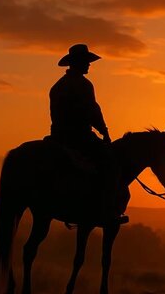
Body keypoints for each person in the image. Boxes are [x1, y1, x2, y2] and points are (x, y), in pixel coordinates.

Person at [50, 43, 127, 226]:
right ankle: (106, 211)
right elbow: (92, 111)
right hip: (79, 137)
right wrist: (104, 132)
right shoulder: (84, 85)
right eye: (86, 62)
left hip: (57, 137)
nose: (89, 65)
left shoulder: (57, 86)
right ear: (79, 63)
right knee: (110, 165)